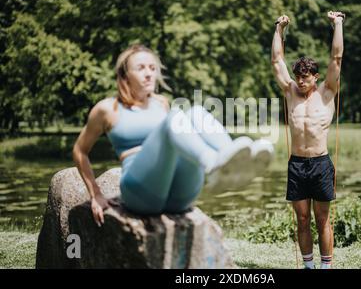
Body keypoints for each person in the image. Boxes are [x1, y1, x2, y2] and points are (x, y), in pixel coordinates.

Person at [72, 44, 274, 227]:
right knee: (176, 117)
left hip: (180, 196)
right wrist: (96, 194)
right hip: (141, 193)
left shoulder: (161, 103)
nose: (149, 74)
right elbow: (80, 151)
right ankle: (212, 164)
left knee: (195, 112)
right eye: (141, 68)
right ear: (125, 75)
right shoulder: (108, 108)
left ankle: (230, 159)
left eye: (152, 68)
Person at [271, 12, 344, 269]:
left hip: (321, 164)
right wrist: (279, 29)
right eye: (298, 76)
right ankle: (308, 266)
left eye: (306, 76)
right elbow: (276, 59)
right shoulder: (290, 92)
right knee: (302, 219)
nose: (301, 81)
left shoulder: (327, 92)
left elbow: (336, 57)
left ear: (315, 76)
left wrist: (337, 24)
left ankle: (326, 267)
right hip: (297, 165)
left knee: (322, 219)